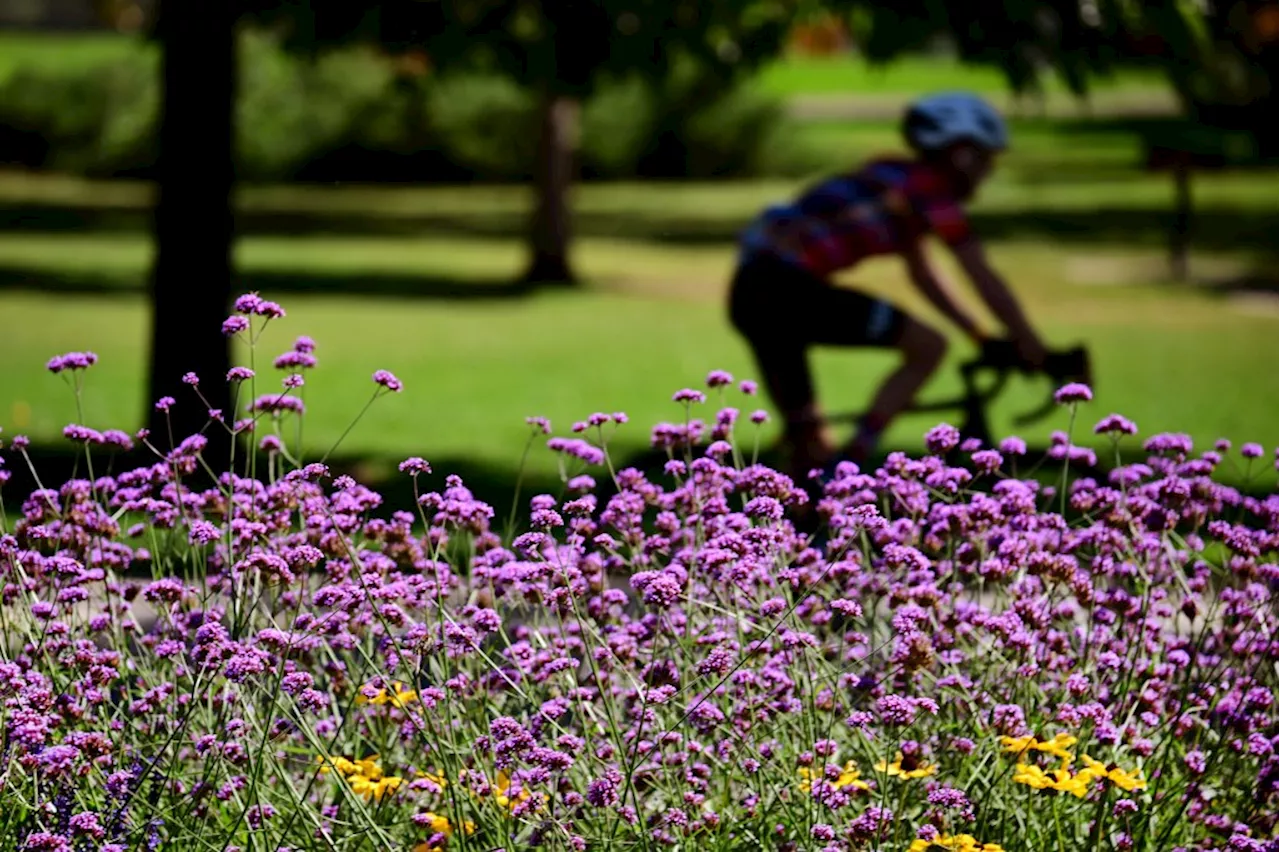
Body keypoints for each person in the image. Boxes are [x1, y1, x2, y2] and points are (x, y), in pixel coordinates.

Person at [727, 91, 1050, 482]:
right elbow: (979, 274)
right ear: (960, 153)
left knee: (808, 443)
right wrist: (1029, 342)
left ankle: (814, 490)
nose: (988, 171)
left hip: (751, 291)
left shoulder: (894, 181)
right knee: (928, 346)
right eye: (985, 158)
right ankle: (857, 456)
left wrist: (980, 335)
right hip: (787, 288)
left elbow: (925, 276)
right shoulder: (928, 190)